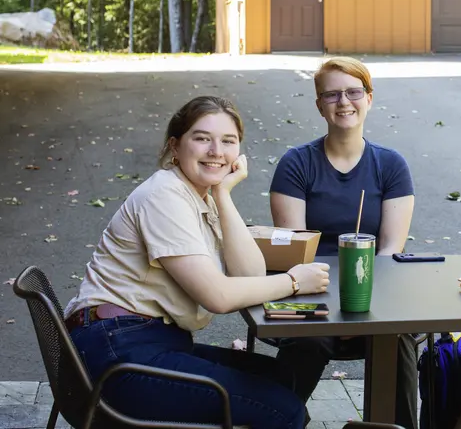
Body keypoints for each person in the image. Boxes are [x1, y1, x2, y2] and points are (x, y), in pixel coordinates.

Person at [64, 96, 330, 429]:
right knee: (282, 409)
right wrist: (294, 281)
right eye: (202, 138)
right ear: (175, 146)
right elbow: (218, 297)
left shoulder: (199, 195)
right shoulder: (165, 196)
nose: (217, 151)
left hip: (144, 341)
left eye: (228, 141)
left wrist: (223, 194)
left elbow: (251, 274)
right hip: (117, 353)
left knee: (281, 381)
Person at [270, 56, 418, 429]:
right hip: (307, 296)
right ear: (319, 104)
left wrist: (358, 310)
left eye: (354, 92)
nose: (344, 102)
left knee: (397, 336)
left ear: (369, 98)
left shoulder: (391, 165)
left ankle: (397, 427)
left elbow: (389, 253)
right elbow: (295, 256)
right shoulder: (295, 164)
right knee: (307, 341)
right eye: (332, 94)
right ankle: (274, 416)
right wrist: (336, 311)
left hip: (370, 297)